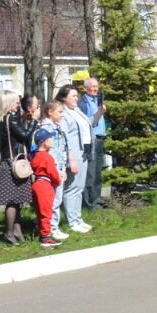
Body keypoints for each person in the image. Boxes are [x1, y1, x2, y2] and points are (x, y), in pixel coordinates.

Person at [0, 90, 36, 245]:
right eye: (16, 102)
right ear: (8, 103)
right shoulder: (10, 119)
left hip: (6, 163)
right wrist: (33, 122)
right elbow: (25, 136)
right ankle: (9, 233)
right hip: (15, 166)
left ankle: (17, 231)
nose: (18, 104)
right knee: (12, 201)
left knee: (15, 201)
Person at [55, 85, 93, 233]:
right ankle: (72, 221)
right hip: (73, 155)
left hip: (83, 152)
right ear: (64, 98)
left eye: (77, 96)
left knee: (80, 187)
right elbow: (64, 137)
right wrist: (70, 159)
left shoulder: (76, 110)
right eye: (73, 96)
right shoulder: (63, 113)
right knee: (72, 188)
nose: (77, 99)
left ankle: (78, 218)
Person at [40, 100, 73, 241]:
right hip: (53, 168)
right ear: (50, 112)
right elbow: (51, 150)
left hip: (59, 166)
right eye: (60, 112)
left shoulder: (55, 126)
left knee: (57, 198)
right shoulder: (47, 128)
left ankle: (53, 226)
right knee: (54, 199)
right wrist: (56, 169)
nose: (62, 115)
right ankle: (52, 228)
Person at [30, 128, 63, 249]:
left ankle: (43, 234)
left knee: (40, 212)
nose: (52, 140)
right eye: (50, 138)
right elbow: (53, 174)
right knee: (46, 212)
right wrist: (59, 180)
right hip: (45, 185)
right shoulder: (47, 157)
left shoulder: (36, 156)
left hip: (37, 184)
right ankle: (45, 239)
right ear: (44, 142)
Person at [79, 77, 107, 209]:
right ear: (86, 88)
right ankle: (88, 203)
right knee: (90, 173)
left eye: (97, 86)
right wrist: (99, 113)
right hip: (91, 140)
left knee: (97, 173)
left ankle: (97, 200)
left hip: (100, 139)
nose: (96, 89)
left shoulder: (97, 100)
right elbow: (85, 123)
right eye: (92, 86)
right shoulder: (83, 103)